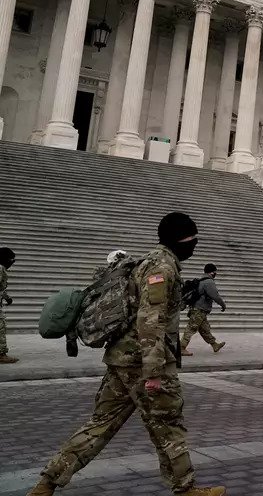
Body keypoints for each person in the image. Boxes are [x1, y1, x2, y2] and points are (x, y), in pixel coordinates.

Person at [26, 212, 226, 496]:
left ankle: (46, 483)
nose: (195, 244)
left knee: (100, 424)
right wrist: (154, 372)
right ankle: (186, 489)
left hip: (122, 359)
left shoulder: (145, 261)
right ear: (182, 239)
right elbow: (150, 319)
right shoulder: (162, 267)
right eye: (194, 239)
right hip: (143, 362)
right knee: (168, 425)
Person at [65, 250, 130, 359]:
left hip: (113, 346)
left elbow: (82, 305)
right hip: (129, 344)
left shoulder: (103, 283)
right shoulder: (130, 278)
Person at [180, 263, 226, 356]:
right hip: (199, 310)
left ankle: (214, 345)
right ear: (212, 272)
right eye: (215, 272)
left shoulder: (201, 280)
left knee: (205, 329)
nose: (215, 274)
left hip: (199, 309)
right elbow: (215, 296)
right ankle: (181, 347)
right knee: (191, 328)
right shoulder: (209, 282)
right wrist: (223, 304)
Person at [0, 247, 15, 364]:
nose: (12, 263)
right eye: (11, 260)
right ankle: (1, 354)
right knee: (1, 327)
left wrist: (7, 298)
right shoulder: (0, 268)